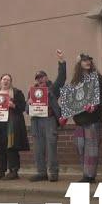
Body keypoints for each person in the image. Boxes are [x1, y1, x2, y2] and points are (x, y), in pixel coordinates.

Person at [26, 49, 66, 182]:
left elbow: (61, 78)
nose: (40, 79)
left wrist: (61, 61)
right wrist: (29, 102)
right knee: (38, 148)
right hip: (36, 121)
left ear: (46, 78)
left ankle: (53, 173)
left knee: (51, 146)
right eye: (38, 78)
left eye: (42, 77)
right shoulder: (32, 91)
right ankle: (41, 172)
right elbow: (26, 109)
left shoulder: (52, 88)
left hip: (49, 120)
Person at [69, 53, 102, 184]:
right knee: (80, 146)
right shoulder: (75, 81)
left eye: (89, 60)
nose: (87, 62)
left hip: (93, 119)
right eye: (84, 60)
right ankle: (85, 172)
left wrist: (96, 106)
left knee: (91, 148)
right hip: (80, 120)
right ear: (79, 64)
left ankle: (89, 176)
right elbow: (71, 99)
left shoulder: (97, 77)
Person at [0, 73, 29, 180]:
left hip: (11, 124)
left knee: (11, 147)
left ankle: (13, 171)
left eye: (8, 79)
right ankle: (1, 171)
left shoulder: (16, 93)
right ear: (0, 81)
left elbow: (23, 107)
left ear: (11, 82)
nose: (5, 81)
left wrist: (13, 105)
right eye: (4, 79)